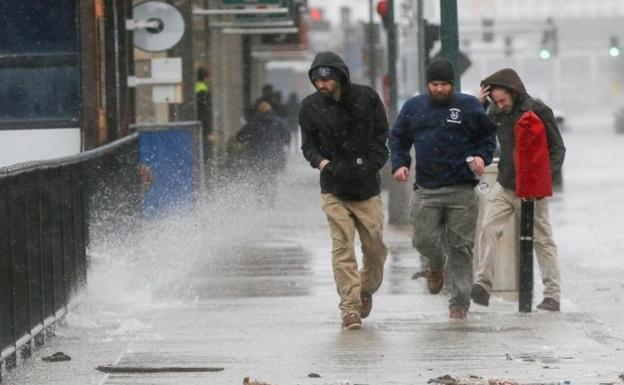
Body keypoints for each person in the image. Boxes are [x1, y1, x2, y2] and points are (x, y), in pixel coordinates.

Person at [388, 59, 497, 320]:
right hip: (426, 189)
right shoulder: (415, 107)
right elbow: (398, 137)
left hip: (461, 188)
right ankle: (436, 265)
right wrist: (400, 163)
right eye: (434, 84)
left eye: (444, 84)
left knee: (461, 247)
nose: (439, 89)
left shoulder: (468, 106)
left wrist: (482, 155)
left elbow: (487, 135)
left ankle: (459, 303)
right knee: (423, 239)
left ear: (452, 84)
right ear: (427, 85)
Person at [299, 51, 389, 330]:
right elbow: (308, 147)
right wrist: (323, 163)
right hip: (333, 190)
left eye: (325, 79)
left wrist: (371, 164)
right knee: (342, 249)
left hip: (367, 189)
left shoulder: (367, 98)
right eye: (316, 80)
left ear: (339, 76)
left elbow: (381, 137)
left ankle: (365, 289)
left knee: (375, 247)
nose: (321, 85)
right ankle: (349, 308)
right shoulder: (310, 107)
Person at [470, 68, 566, 312]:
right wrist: (480, 105)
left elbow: (558, 148)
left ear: (514, 93)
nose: (500, 105)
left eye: (502, 100)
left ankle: (552, 295)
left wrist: (545, 177)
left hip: (532, 187)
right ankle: (483, 283)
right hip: (505, 183)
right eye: (496, 101)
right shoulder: (495, 112)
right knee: (488, 228)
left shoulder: (538, 111)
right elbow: (475, 130)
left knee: (542, 241)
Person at [235, 100, 290, 207]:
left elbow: (240, 136)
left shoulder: (252, 122)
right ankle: (271, 201)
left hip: (257, 156)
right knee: (272, 178)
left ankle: (260, 200)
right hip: (275, 155)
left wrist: (250, 141)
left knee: (260, 178)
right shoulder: (279, 122)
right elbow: (287, 137)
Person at [195, 67, 215, 167]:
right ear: (206, 78)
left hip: (196, 125)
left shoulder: (194, 86)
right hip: (202, 128)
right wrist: (208, 132)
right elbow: (205, 112)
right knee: (204, 155)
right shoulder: (203, 89)